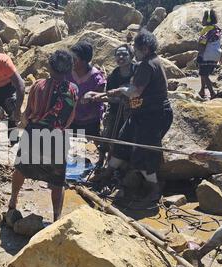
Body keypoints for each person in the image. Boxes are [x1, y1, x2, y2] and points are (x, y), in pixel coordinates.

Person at [95, 30, 173, 205]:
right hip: (141, 113)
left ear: (144, 49)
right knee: (123, 140)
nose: (134, 53)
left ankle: (153, 188)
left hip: (153, 116)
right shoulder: (152, 61)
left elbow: (135, 92)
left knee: (144, 152)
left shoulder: (147, 64)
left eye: (135, 50)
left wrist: (121, 90)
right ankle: (107, 173)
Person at [9, 50, 78, 222]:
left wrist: (23, 122)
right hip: (57, 138)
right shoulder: (73, 90)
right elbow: (70, 119)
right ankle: (56, 217)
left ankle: (13, 200)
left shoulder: (38, 86)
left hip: (34, 133)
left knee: (21, 168)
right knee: (57, 180)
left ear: (49, 67)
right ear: (69, 69)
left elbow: (28, 113)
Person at [97, 44, 137, 167]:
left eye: (124, 54)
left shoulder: (137, 71)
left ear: (131, 56)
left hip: (133, 111)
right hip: (115, 109)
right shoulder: (114, 75)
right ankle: (100, 160)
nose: (121, 57)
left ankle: (123, 165)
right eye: (118, 54)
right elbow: (110, 96)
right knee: (107, 134)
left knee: (126, 138)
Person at [67, 41, 106, 147]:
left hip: (90, 119)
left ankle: (101, 159)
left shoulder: (96, 77)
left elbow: (102, 96)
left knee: (94, 142)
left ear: (84, 61)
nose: (72, 61)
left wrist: (91, 96)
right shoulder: (68, 73)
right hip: (71, 117)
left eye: (75, 59)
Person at [197, 9, 222, 100]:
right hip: (216, 55)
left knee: (204, 75)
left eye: (203, 18)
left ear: (207, 20)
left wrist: (200, 55)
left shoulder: (206, 30)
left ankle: (212, 93)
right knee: (203, 72)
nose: (202, 20)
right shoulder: (217, 29)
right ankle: (202, 90)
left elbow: (202, 44)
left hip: (207, 54)